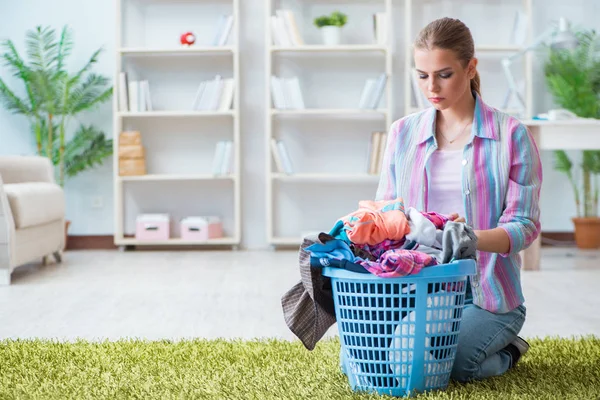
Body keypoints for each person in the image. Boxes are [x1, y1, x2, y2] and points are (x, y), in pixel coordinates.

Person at [375, 17, 542, 382]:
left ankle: (511, 348)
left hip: (487, 296)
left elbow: (525, 226)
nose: (431, 87)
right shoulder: (402, 133)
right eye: (422, 75)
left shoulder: (511, 136)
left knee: (446, 365)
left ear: (470, 68)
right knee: (367, 363)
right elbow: (388, 210)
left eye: (444, 74)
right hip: (417, 287)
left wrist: (472, 237)